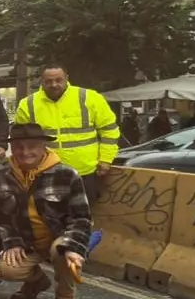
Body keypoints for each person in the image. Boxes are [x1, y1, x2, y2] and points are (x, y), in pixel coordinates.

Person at [0, 123, 93, 299]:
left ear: (44, 146)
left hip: (59, 237)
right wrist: (12, 241)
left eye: (32, 146)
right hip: (27, 242)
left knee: (62, 251)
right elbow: (0, 216)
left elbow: (81, 217)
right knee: (4, 268)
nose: (25, 152)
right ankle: (36, 281)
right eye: (19, 146)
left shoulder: (67, 174)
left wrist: (73, 247)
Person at [14, 65, 120, 202]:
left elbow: (109, 130)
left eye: (58, 80)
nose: (54, 85)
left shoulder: (90, 98)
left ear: (67, 79)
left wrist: (106, 159)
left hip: (84, 172)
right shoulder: (28, 104)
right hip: (45, 173)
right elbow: (21, 140)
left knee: (83, 216)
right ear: (42, 81)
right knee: (48, 218)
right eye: (48, 81)